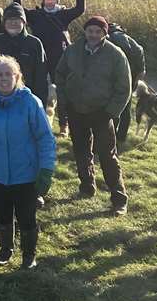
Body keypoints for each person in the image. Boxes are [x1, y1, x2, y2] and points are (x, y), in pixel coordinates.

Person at [0, 56, 56, 269]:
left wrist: (46, 169)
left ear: (17, 77)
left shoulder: (30, 102)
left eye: (9, 74)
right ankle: (5, 250)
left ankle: (29, 255)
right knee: (3, 215)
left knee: (27, 216)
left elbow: (45, 138)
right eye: (0, 74)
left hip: (25, 172)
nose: (4, 78)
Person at [55, 14, 131, 216]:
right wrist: (64, 101)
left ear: (105, 33)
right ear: (85, 32)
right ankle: (87, 185)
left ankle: (119, 199)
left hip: (102, 112)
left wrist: (110, 112)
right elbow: (60, 74)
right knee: (80, 151)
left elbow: (124, 88)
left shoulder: (115, 55)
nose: (94, 35)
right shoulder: (72, 51)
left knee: (107, 156)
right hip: (76, 109)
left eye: (99, 31)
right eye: (90, 31)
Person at [14, 0, 85, 133]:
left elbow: (80, 9)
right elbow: (17, 8)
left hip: (60, 58)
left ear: (57, 0)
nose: (50, 1)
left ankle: (63, 124)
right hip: (39, 57)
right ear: (43, 1)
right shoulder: (35, 15)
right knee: (38, 88)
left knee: (62, 90)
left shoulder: (63, 14)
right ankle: (38, 121)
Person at [0, 3, 49, 108]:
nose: (13, 23)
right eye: (9, 19)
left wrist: (41, 105)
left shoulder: (34, 43)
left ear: (24, 22)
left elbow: (41, 76)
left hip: (27, 100)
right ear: (4, 23)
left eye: (17, 19)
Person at [106, 21, 146, 148]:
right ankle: (121, 138)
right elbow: (142, 71)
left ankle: (108, 137)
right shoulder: (136, 45)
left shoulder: (108, 40)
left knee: (112, 108)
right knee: (126, 109)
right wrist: (134, 84)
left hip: (113, 78)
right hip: (131, 78)